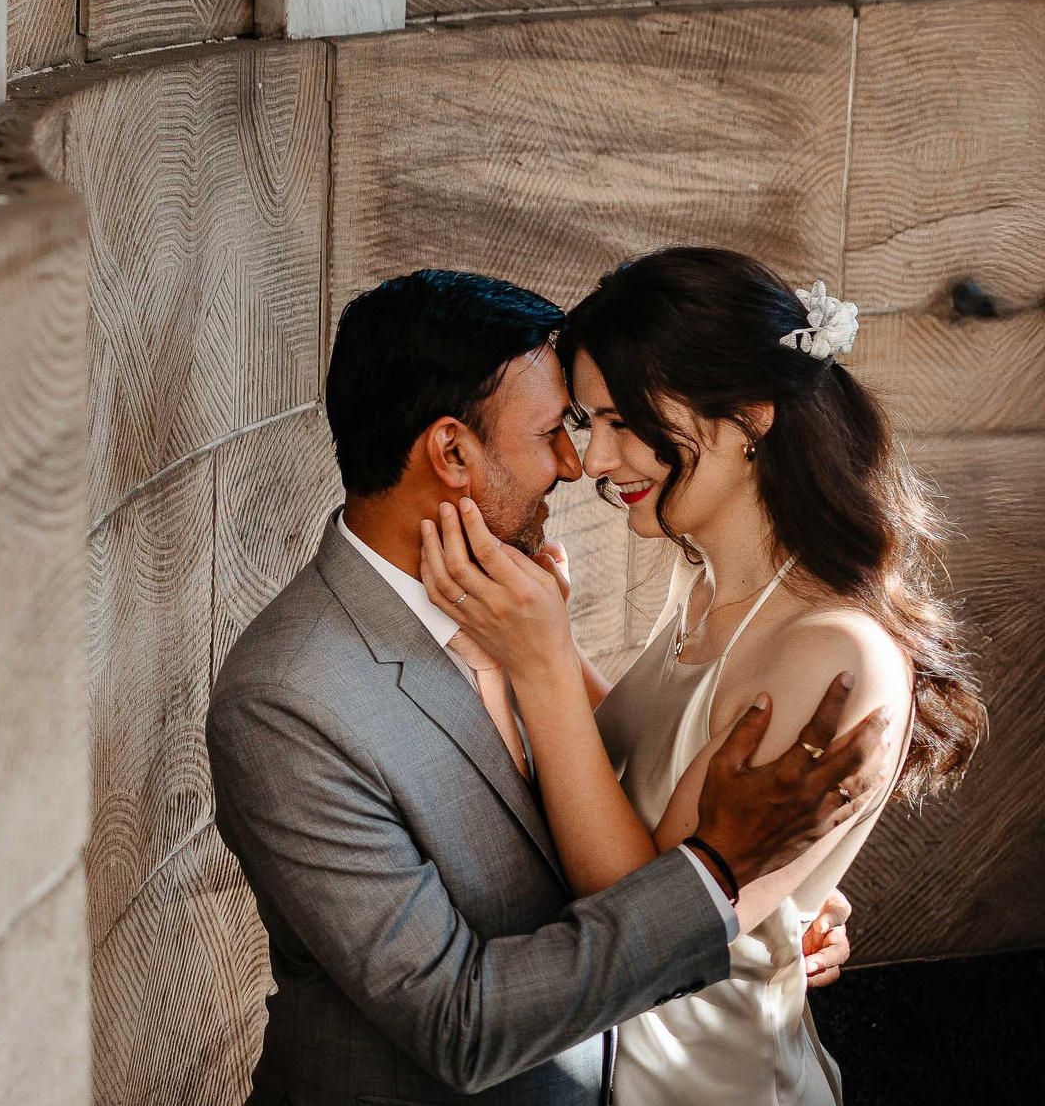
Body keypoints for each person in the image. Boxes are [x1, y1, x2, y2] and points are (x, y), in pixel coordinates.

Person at [208, 269, 892, 1106]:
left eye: (603, 422)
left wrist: (777, 899)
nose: (579, 464)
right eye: (557, 431)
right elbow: (461, 1022)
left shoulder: (522, 606)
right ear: (452, 451)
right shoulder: (288, 700)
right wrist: (717, 883)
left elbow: (615, 782)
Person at [420, 248, 985, 1105]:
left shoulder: (837, 652)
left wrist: (537, 665)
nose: (597, 460)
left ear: (750, 415)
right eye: (585, 422)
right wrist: (555, 645)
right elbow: (651, 765)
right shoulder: (706, 583)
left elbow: (646, 923)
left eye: (624, 421)